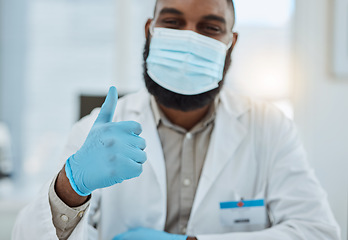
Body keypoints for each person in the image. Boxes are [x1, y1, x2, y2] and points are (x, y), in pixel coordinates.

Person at [13, 0, 341, 239]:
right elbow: (26, 236)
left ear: (231, 43)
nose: (190, 39)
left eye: (210, 27)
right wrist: (71, 185)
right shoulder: (95, 131)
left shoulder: (270, 128)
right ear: (149, 30)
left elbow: (318, 231)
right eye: (172, 22)